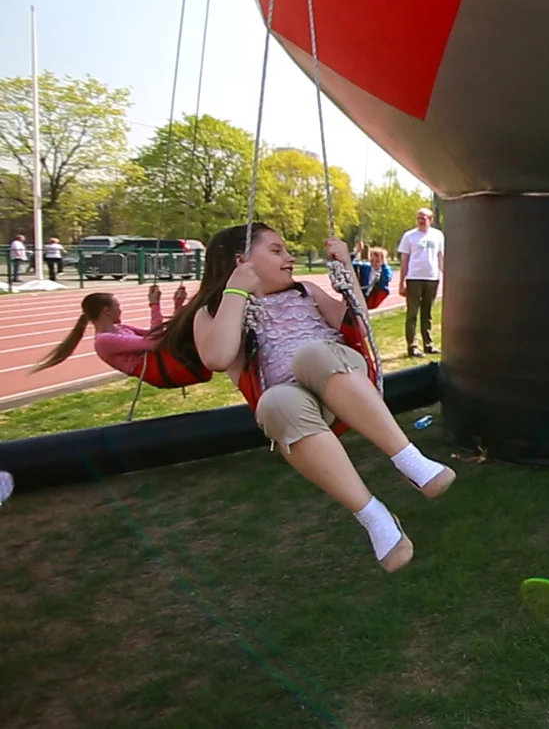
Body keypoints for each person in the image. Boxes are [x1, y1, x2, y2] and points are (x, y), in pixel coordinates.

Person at [154, 222, 455, 573]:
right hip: (303, 406)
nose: (290, 258)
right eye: (277, 250)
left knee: (311, 356)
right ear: (241, 261)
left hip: (342, 375)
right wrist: (236, 293)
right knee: (275, 403)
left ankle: (411, 462)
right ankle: (375, 518)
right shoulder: (216, 314)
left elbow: (359, 324)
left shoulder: (306, 292)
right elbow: (218, 357)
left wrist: (345, 267)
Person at [31, 285, 189, 377]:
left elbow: (164, 334)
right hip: (161, 371)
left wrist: (178, 305)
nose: (120, 310)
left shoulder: (122, 328)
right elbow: (153, 342)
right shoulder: (104, 341)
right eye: (117, 307)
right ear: (106, 311)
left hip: (165, 364)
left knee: (186, 333)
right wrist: (154, 304)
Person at [397, 208, 445, 357]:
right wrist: (401, 282)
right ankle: (412, 347)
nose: (421, 221)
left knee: (427, 313)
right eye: (419, 218)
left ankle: (428, 344)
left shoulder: (438, 235)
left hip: (432, 278)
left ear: (431, 219)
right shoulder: (409, 236)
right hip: (414, 278)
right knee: (412, 314)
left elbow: (441, 257)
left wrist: (446, 277)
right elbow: (404, 261)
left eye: (424, 218)